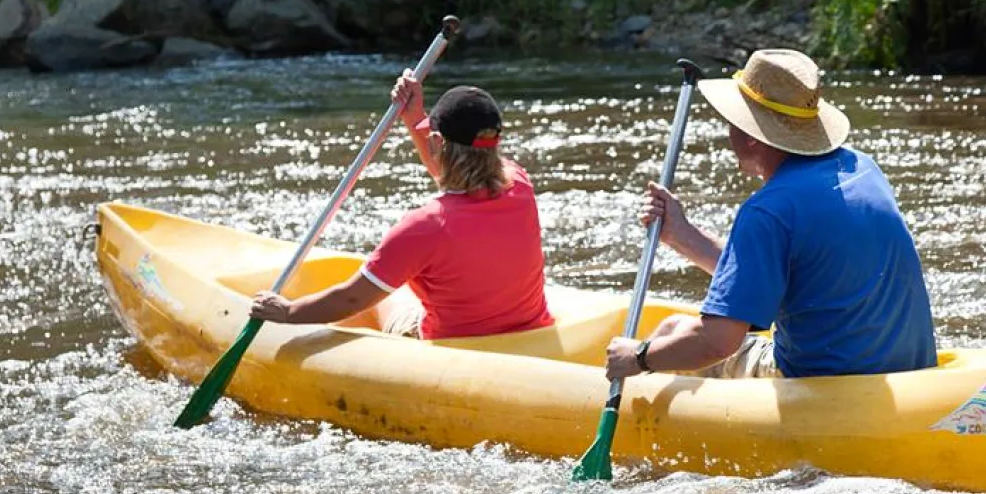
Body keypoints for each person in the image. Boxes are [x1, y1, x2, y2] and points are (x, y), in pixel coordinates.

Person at [604, 49, 936, 380]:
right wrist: (681, 234)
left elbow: (717, 342)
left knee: (672, 331)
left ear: (751, 136)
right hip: (910, 374)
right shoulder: (862, 168)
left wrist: (638, 357)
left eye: (732, 122)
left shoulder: (768, 210)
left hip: (819, 385)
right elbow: (775, 273)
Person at [249, 72, 554, 339]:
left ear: (437, 142)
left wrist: (288, 312)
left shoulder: (425, 226)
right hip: (528, 333)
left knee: (382, 297)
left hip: (452, 348)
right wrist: (414, 117)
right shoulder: (519, 184)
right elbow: (457, 171)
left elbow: (352, 299)